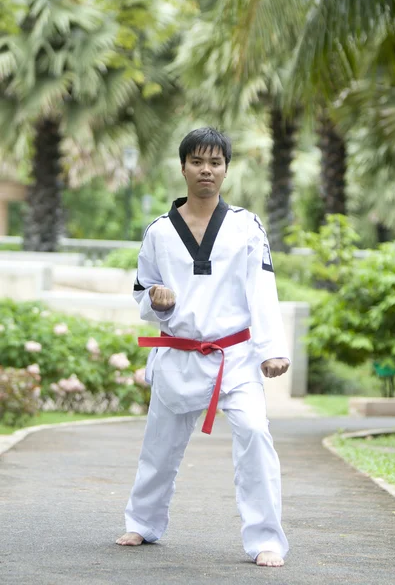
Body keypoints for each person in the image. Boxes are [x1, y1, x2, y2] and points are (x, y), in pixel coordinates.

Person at [116, 127, 290, 567]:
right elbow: (143, 291)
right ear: (183, 168)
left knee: (254, 432)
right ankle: (143, 521)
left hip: (234, 359)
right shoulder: (158, 231)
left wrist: (272, 348)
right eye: (197, 162)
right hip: (179, 355)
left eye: (215, 162)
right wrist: (156, 299)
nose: (206, 170)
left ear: (226, 170)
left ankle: (266, 538)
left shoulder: (245, 226)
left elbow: (262, 287)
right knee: (159, 446)